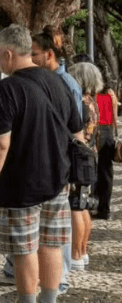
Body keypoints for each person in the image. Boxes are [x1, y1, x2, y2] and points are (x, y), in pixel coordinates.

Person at [0, 25, 83, 303]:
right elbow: (78, 133)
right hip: (58, 180)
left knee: (24, 247)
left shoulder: (7, 89)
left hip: (21, 183)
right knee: (51, 244)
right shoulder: (59, 82)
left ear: (8, 54)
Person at [67, 62, 103, 269]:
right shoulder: (92, 102)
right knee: (83, 205)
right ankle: (82, 251)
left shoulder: (80, 104)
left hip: (78, 159)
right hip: (89, 157)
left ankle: (76, 254)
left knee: (76, 206)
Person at [94, 76, 119, 220]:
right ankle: (105, 209)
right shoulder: (112, 95)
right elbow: (115, 119)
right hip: (108, 131)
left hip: (97, 131)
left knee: (94, 169)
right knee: (106, 171)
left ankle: (93, 202)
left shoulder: (93, 95)